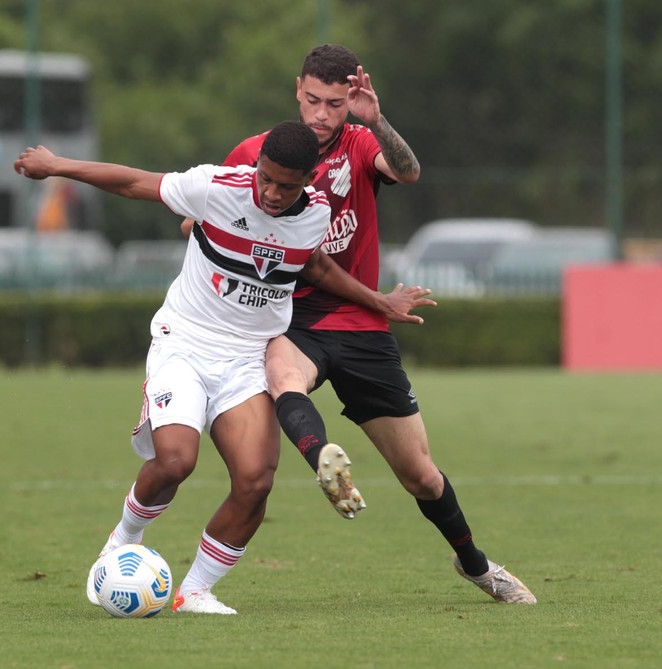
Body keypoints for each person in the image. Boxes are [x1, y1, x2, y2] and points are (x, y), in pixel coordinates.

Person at [14, 121, 428, 615]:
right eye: (266, 179)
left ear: (308, 179)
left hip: (250, 358)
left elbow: (314, 266)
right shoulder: (215, 186)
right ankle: (122, 541)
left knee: (255, 481)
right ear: (257, 167)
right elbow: (131, 181)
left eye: (286, 185)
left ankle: (195, 592)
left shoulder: (316, 211)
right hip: (185, 343)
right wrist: (56, 165)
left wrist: (377, 301)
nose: (273, 193)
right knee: (175, 461)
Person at [185, 45, 536, 604]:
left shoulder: (359, 142)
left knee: (420, 474)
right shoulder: (259, 153)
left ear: (350, 100)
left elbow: (409, 171)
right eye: (312, 100)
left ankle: (475, 565)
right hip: (291, 318)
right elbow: (201, 215)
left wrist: (377, 119)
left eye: (335, 103)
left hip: (364, 324)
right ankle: (325, 460)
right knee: (283, 376)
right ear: (296, 89)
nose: (322, 115)